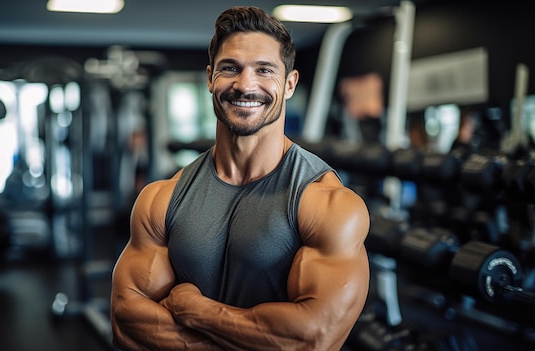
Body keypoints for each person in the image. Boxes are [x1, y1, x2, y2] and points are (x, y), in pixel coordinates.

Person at [110, 6, 370, 350]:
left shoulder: (328, 204)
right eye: (230, 68)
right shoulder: (162, 197)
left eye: (264, 70)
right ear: (209, 79)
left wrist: (197, 310)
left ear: (289, 84)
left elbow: (312, 338)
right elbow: (126, 322)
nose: (245, 84)